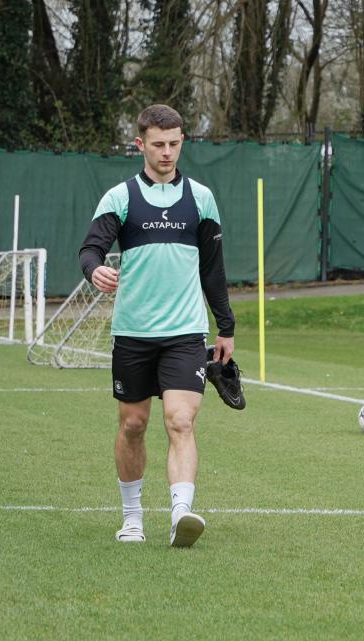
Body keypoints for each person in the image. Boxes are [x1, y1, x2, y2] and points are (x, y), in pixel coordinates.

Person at [79, 104, 235, 548]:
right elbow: (90, 249)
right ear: (140, 144)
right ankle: (132, 519)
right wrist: (95, 271)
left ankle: (181, 514)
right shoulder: (120, 197)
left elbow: (213, 270)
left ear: (182, 141)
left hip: (186, 332)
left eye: (175, 143)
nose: (167, 152)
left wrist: (226, 327)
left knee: (181, 420)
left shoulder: (201, 198)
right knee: (132, 425)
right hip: (132, 332)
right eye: (159, 144)